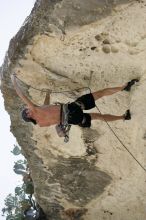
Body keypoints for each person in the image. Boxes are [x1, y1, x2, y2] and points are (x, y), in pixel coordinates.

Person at [11, 74, 138, 129]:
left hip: (73, 120)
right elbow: (22, 95)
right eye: (26, 110)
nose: (27, 108)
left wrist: (48, 94)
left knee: (99, 117)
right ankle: (123, 87)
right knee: (99, 94)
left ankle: (123, 117)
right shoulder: (34, 110)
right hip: (72, 109)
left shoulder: (40, 123)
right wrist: (13, 81)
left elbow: (46, 107)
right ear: (28, 114)